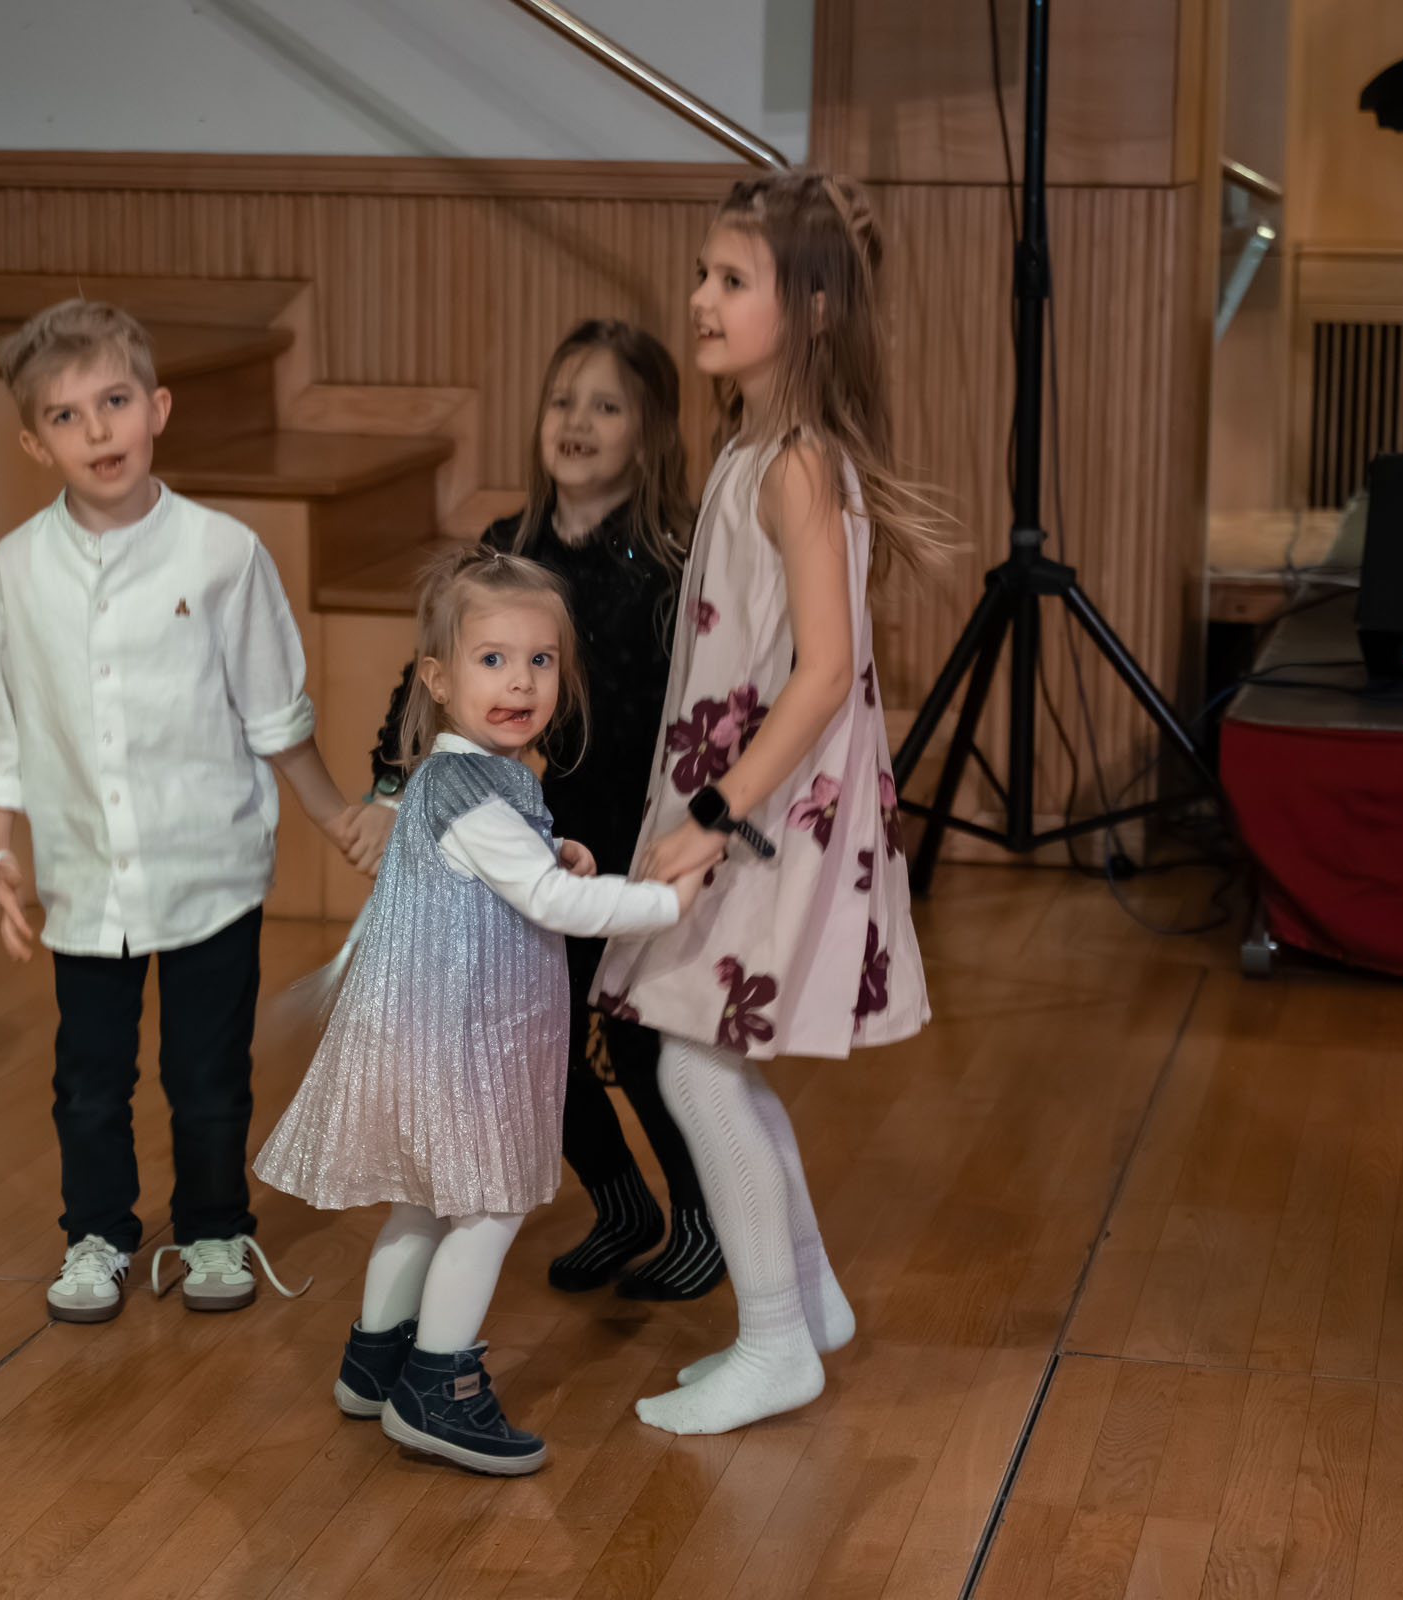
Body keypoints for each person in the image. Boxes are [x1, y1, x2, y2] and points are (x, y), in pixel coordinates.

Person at [594, 172, 938, 1437]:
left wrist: (715, 816)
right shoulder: (753, 447)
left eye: (732, 280)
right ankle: (809, 1301)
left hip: (767, 811)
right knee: (710, 1057)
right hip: (748, 800)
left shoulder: (796, 465)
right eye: (703, 273)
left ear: (814, 308)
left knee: (692, 1064)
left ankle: (776, 1339)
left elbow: (826, 670)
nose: (700, 297)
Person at [255, 547, 704, 1477]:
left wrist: (555, 846)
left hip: (432, 1036)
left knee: (423, 1205)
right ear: (438, 679)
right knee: (490, 1209)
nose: (521, 682)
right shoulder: (474, 793)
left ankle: (374, 1364)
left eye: (541, 660)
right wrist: (666, 902)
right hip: (463, 1046)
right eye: (493, 660)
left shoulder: (459, 777)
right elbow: (550, 903)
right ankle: (437, 1388)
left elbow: (512, 871)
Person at [0, 299, 363, 1326]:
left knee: (208, 1073)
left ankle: (214, 1227)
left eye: (114, 402)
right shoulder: (15, 569)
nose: (96, 430)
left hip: (210, 870)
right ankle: (96, 1234)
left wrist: (336, 816)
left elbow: (274, 712)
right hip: (85, 877)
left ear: (158, 407)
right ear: (33, 442)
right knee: (89, 1077)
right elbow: (0, 725)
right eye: (65, 416)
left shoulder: (222, 553)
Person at [357, 320, 725, 1304]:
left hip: (637, 834)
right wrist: (390, 788)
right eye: (563, 400)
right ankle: (620, 1204)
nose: (577, 421)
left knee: (642, 1042)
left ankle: (700, 1218)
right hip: (530, 843)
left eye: (606, 406)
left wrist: (696, 828)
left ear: (649, 432)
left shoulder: (676, 559)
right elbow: (424, 680)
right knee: (532, 1042)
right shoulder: (507, 548)